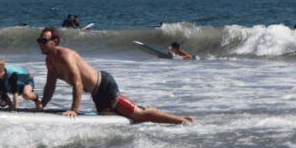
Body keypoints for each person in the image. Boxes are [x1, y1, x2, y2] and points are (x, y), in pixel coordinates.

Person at [36, 27, 193, 124]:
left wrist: (74, 110)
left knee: (138, 115)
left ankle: (181, 120)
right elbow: (50, 86)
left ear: (55, 41)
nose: (40, 44)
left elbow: (77, 82)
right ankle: (141, 109)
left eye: (44, 40)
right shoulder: (50, 61)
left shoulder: (66, 56)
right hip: (96, 94)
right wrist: (42, 104)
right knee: (117, 117)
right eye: (39, 41)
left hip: (104, 85)